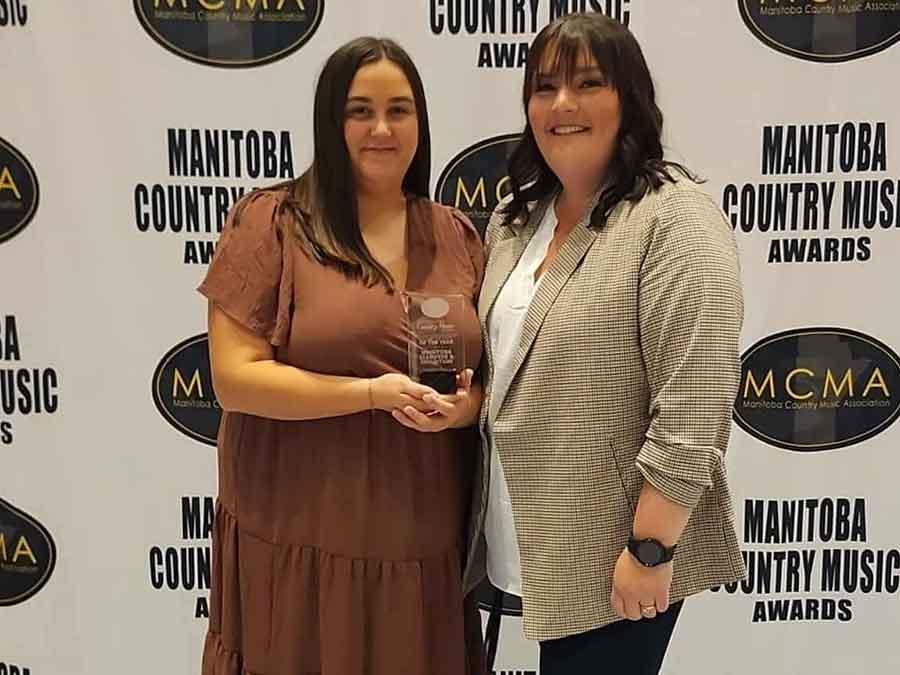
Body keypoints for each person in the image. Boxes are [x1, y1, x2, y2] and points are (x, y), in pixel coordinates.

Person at [462, 13, 745, 675]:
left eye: (588, 83)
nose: (562, 104)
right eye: (544, 86)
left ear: (631, 99)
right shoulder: (514, 220)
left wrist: (651, 549)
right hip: (522, 540)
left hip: (618, 555)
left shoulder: (674, 215)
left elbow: (695, 401)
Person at [198, 37, 485, 675]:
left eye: (399, 110)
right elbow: (235, 379)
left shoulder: (457, 234)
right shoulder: (273, 222)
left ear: (422, 121)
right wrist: (371, 394)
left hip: (420, 535)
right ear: (331, 120)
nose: (381, 128)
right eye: (360, 111)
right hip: (301, 530)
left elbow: (488, 387)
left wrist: (462, 410)